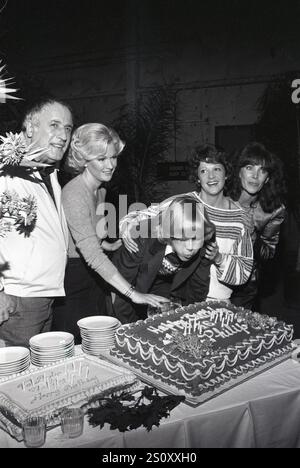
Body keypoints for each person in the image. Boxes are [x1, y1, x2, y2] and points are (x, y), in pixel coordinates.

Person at [52, 123, 168, 342]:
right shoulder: (74, 193)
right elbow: (92, 255)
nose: (110, 165)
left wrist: (109, 245)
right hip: (74, 282)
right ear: (84, 160)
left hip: (95, 280)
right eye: (101, 159)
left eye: (113, 157)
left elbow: (86, 235)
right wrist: (134, 294)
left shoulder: (100, 190)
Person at [120, 144, 253, 303]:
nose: (211, 176)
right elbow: (141, 215)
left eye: (216, 169)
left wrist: (219, 258)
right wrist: (126, 227)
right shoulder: (183, 205)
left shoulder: (239, 218)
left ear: (226, 175)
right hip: (182, 301)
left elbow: (244, 270)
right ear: (197, 178)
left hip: (219, 303)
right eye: (204, 171)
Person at [0, 98, 74, 346]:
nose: (63, 135)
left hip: (44, 296)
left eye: (67, 128)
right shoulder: (6, 167)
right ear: (30, 128)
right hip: (17, 301)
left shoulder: (48, 171)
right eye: (54, 125)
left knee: (35, 378)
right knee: (13, 381)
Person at [112, 195, 215, 323]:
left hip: (163, 289)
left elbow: (198, 289)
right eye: (182, 238)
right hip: (125, 289)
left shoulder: (205, 239)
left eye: (195, 239)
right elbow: (121, 294)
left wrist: (191, 323)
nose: (190, 247)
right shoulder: (140, 236)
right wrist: (131, 329)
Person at [229, 142, 286, 309]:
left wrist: (252, 236)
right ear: (238, 172)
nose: (255, 176)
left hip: (244, 284)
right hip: (208, 279)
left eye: (262, 170)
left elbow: (268, 252)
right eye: (249, 167)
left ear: (267, 179)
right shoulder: (220, 199)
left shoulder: (274, 210)